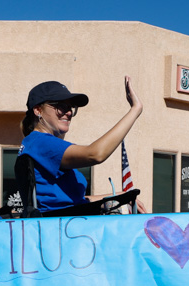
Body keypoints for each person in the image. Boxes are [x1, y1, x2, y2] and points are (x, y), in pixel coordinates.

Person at [18, 77, 144, 212]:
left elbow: (73, 202)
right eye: (61, 106)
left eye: (70, 107)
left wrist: (119, 196)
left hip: (63, 224)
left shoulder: (34, 143)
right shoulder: (41, 142)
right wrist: (135, 109)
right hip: (63, 228)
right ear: (38, 110)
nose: (68, 112)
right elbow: (95, 154)